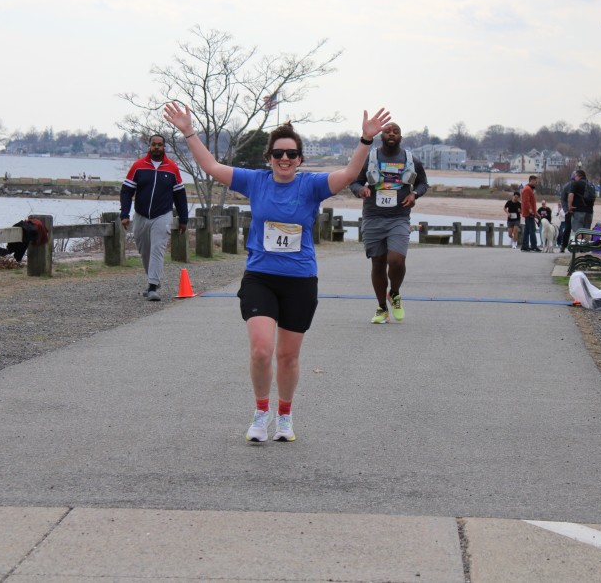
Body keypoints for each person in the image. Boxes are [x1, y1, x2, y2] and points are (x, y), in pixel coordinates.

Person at [163, 100, 392, 443]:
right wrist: (189, 132)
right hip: (261, 277)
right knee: (261, 350)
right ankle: (261, 412)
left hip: (300, 281)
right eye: (278, 153)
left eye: (291, 154)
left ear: (300, 159)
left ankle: (285, 416)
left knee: (287, 356)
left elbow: (348, 175)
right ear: (269, 157)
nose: (285, 159)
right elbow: (211, 166)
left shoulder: (311, 185)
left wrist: (366, 140)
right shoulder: (255, 181)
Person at [349, 123, 429, 323]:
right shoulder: (371, 158)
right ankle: (382, 308)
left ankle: (394, 293)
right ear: (381, 136)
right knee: (378, 263)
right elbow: (354, 181)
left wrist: (414, 194)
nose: (391, 134)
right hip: (373, 217)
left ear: (401, 136)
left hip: (399, 217)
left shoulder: (411, 159)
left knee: (396, 260)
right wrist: (360, 190)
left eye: (396, 132)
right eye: (387, 132)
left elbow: (423, 183)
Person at [119, 134, 189, 301]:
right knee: (145, 251)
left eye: (160, 144)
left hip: (163, 215)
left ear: (164, 147)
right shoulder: (138, 166)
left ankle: (152, 286)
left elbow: (180, 195)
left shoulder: (172, 168)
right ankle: (153, 280)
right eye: (153, 144)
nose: (156, 147)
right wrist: (124, 214)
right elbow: (126, 191)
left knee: (157, 248)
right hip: (141, 215)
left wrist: (184, 219)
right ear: (149, 146)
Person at [567, 169, 594, 237]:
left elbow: (570, 195)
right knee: (586, 231)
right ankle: (586, 243)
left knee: (578, 231)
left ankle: (578, 243)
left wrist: (570, 206)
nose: (574, 178)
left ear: (578, 176)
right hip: (589, 211)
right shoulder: (590, 184)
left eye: (575, 176)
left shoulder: (576, 183)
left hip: (579, 210)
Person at [520, 174, 540, 252]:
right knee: (532, 229)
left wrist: (536, 213)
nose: (536, 183)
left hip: (529, 213)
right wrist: (531, 211)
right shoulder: (527, 189)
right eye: (535, 181)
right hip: (529, 213)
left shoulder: (529, 189)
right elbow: (526, 202)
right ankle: (533, 246)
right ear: (531, 180)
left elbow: (530, 202)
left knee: (527, 230)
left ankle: (524, 246)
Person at [558, 174, 576, 252]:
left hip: (577, 211)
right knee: (567, 229)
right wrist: (566, 210)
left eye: (574, 180)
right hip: (569, 211)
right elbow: (563, 199)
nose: (573, 181)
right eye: (572, 180)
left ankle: (577, 246)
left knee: (577, 229)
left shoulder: (579, 186)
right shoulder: (567, 187)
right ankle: (563, 246)